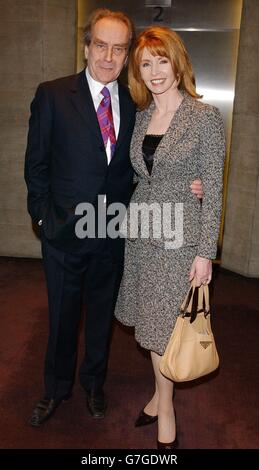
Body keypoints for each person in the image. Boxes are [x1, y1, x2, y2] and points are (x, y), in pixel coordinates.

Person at [24, 9, 203, 427]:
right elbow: (36, 167)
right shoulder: (52, 94)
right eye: (101, 45)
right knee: (62, 319)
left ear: (126, 56)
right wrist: (43, 221)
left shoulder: (135, 102)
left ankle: (92, 386)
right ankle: (55, 390)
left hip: (114, 235)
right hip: (64, 236)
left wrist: (194, 182)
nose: (109, 56)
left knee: (102, 320)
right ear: (87, 47)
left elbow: (155, 160)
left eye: (119, 48)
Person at [115, 26, 225, 449]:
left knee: (164, 329)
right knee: (151, 327)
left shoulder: (204, 117)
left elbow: (212, 189)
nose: (155, 70)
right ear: (138, 73)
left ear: (178, 64)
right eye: (146, 63)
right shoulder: (141, 117)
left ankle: (166, 408)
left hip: (181, 241)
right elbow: (145, 175)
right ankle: (159, 398)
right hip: (143, 234)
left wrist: (205, 254)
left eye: (162, 60)